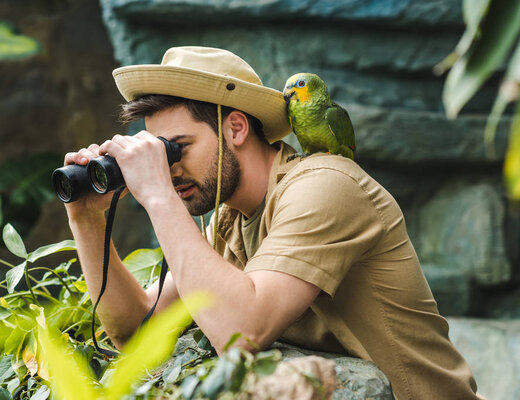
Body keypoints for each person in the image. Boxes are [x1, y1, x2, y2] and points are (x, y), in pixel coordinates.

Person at [63, 46, 481, 399]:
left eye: (176, 149)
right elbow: (137, 330)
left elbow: (240, 334)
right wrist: (87, 219)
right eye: (159, 153)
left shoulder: (325, 187)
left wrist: (156, 195)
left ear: (236, 128)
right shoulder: (229, 220)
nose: (169, 170)